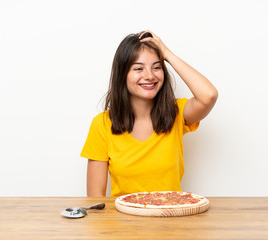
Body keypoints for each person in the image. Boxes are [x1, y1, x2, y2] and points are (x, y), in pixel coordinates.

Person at [80, 30, 218, 197]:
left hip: (171, 217)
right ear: (123, 75)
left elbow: (208, 95)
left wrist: (167, 54)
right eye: (139, 68)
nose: (150, 76)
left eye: (156, 67)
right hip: (123, 221)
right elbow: (95, 201)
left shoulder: (177, 113)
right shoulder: (102, 124)